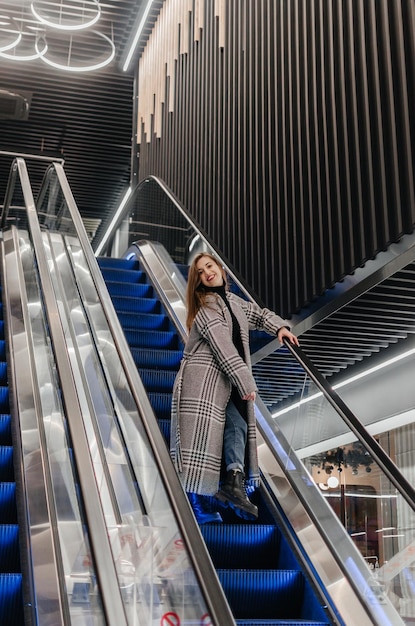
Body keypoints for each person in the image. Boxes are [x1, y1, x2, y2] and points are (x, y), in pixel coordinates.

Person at [170, 252, 299, 524]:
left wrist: (279, 328)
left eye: (210, 266)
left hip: (225, 379)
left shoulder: (234, 302)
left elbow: (260, 315)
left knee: (237, 425)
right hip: (202, 382)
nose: (207, 272)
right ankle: (196, 508)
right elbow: (223, 346)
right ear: (198, 281)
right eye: (201, 272)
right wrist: (245, 381)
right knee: (199, 447)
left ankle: (234, 483)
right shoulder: (205, 309)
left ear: (219, 268)